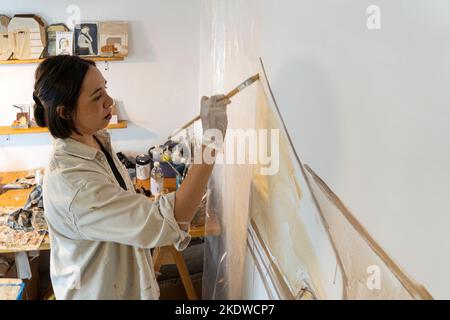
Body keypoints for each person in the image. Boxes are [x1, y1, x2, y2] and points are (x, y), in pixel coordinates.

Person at [32, 55, 230, 299]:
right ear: (64, 112)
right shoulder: (74, 184)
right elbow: (170, 220)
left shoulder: (94, 140)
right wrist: (212, 142)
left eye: (105, 89)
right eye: (96, 97)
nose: (109, 101)